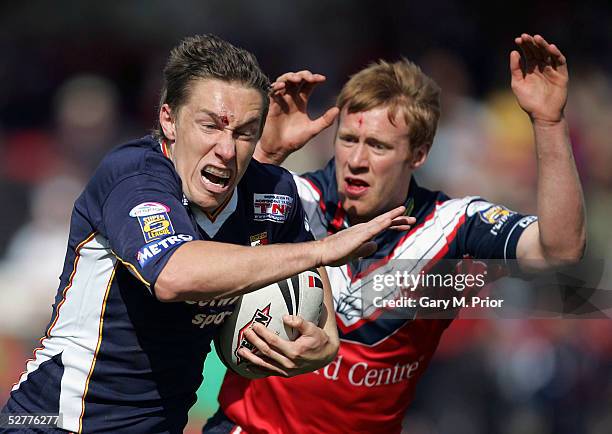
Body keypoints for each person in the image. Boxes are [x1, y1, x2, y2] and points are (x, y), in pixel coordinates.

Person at [0, 34, 413, 433]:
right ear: (169, 119)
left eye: (244, 132)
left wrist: (323, 345)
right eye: (211, 126)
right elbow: (176, 275)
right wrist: (324, 250)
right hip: (56, 422)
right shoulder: (133, 177)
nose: (226, 150)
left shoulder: (273, 194)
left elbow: (319, 315)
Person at [204, 34, 587, 433]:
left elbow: (560, 249)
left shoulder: (453, 225)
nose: (357, 160)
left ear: (419, 154)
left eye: (378, 146)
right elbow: (205, 230)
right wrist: (266, 155)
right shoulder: (294, 200)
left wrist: (548, 122)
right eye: (349, 140)